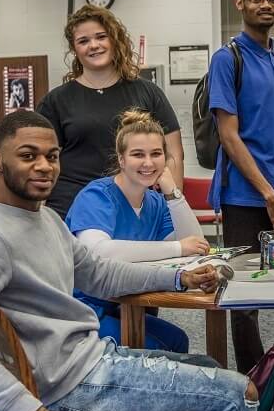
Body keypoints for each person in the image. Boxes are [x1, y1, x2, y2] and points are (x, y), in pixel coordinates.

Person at [0, 110, 258, 411]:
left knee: (208, 364)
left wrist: (178, 276)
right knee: (239, 392)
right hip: (70, 386)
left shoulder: (44, 219)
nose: (43, 166)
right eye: (28, 156)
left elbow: (100, 273)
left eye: (52, 156)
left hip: (87, 360)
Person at [208, 0, 274, 373]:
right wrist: (266, 192)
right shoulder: (228, 60)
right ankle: (254, 386)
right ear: (240, 3)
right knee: (244, 299)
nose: (267, 6)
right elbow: (229, 134)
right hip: (246, 196)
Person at [66, 108, 211, 353]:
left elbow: (194, 246)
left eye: (156, 154)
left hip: (126, 304)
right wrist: (176, 247)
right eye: (137, 154)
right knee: (155, 349)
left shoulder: (155, 202)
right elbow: (99, 252)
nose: (148, 162)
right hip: (84, 311)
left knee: (178, 341)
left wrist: (172, 193)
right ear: (121, 160)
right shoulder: (97, 196)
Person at [37, 5, 184, 218]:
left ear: (114, 39)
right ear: (74, 50)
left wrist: (173, 207)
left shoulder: (147, 92)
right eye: (83, 41)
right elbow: (44, 162)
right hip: (73, 208)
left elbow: (174, 154)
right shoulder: (56, 101)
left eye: (100, 37)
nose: (93, 45)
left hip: (136, 207)